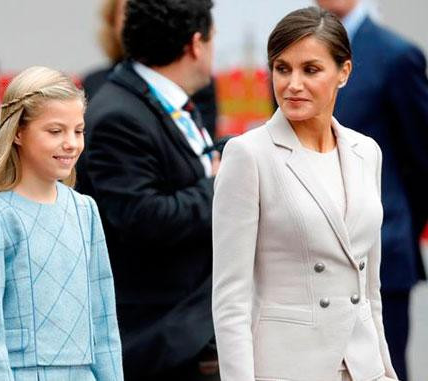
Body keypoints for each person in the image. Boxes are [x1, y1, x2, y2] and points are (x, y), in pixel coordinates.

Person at [212, 7, 398, 380]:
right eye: (282, 68)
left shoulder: (366, 152)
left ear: (343, 72)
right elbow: (231, 299)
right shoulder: (249, 154)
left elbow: (368, 288)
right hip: (289, 366)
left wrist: (385, 368)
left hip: (363, 367)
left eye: (310, 70)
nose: (293, 84)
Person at [77, 0, 220, 379]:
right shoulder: (119, 115)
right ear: (195, 44)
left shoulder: (167, 99)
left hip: (190, 332)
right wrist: (220, 186)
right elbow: (143, 216)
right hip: (159, 342)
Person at [0, 66, 123, 380]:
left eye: (78, 130)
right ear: (18, 131)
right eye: (55, 131)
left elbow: (104, 324)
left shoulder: (84, 210)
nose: (71, 143)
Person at [315, 2, 428, 379]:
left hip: (380, 254)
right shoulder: (299, 51)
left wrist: (395, 228)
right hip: (310, 256)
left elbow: (421, 160)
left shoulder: (395, 56)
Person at [82, 0, 219, 137]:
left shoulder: (195, 81)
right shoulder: (112, 106)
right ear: (112, 22)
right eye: (129, 11)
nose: (142, 17)